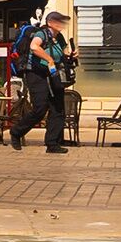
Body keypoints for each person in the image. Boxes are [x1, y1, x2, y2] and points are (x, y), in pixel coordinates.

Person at [7, 9, 76, 152]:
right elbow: (34, 47)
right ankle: (16, 132)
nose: (62, 24)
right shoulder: (41, 34)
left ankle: (52, 144)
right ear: (50, 23)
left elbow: (63, 54)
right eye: (58, 21)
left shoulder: (60, 38)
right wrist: (49, 59)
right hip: (36, 74)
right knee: (40, 107)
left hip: (53, 74)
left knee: (58, 108)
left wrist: (72, 54)